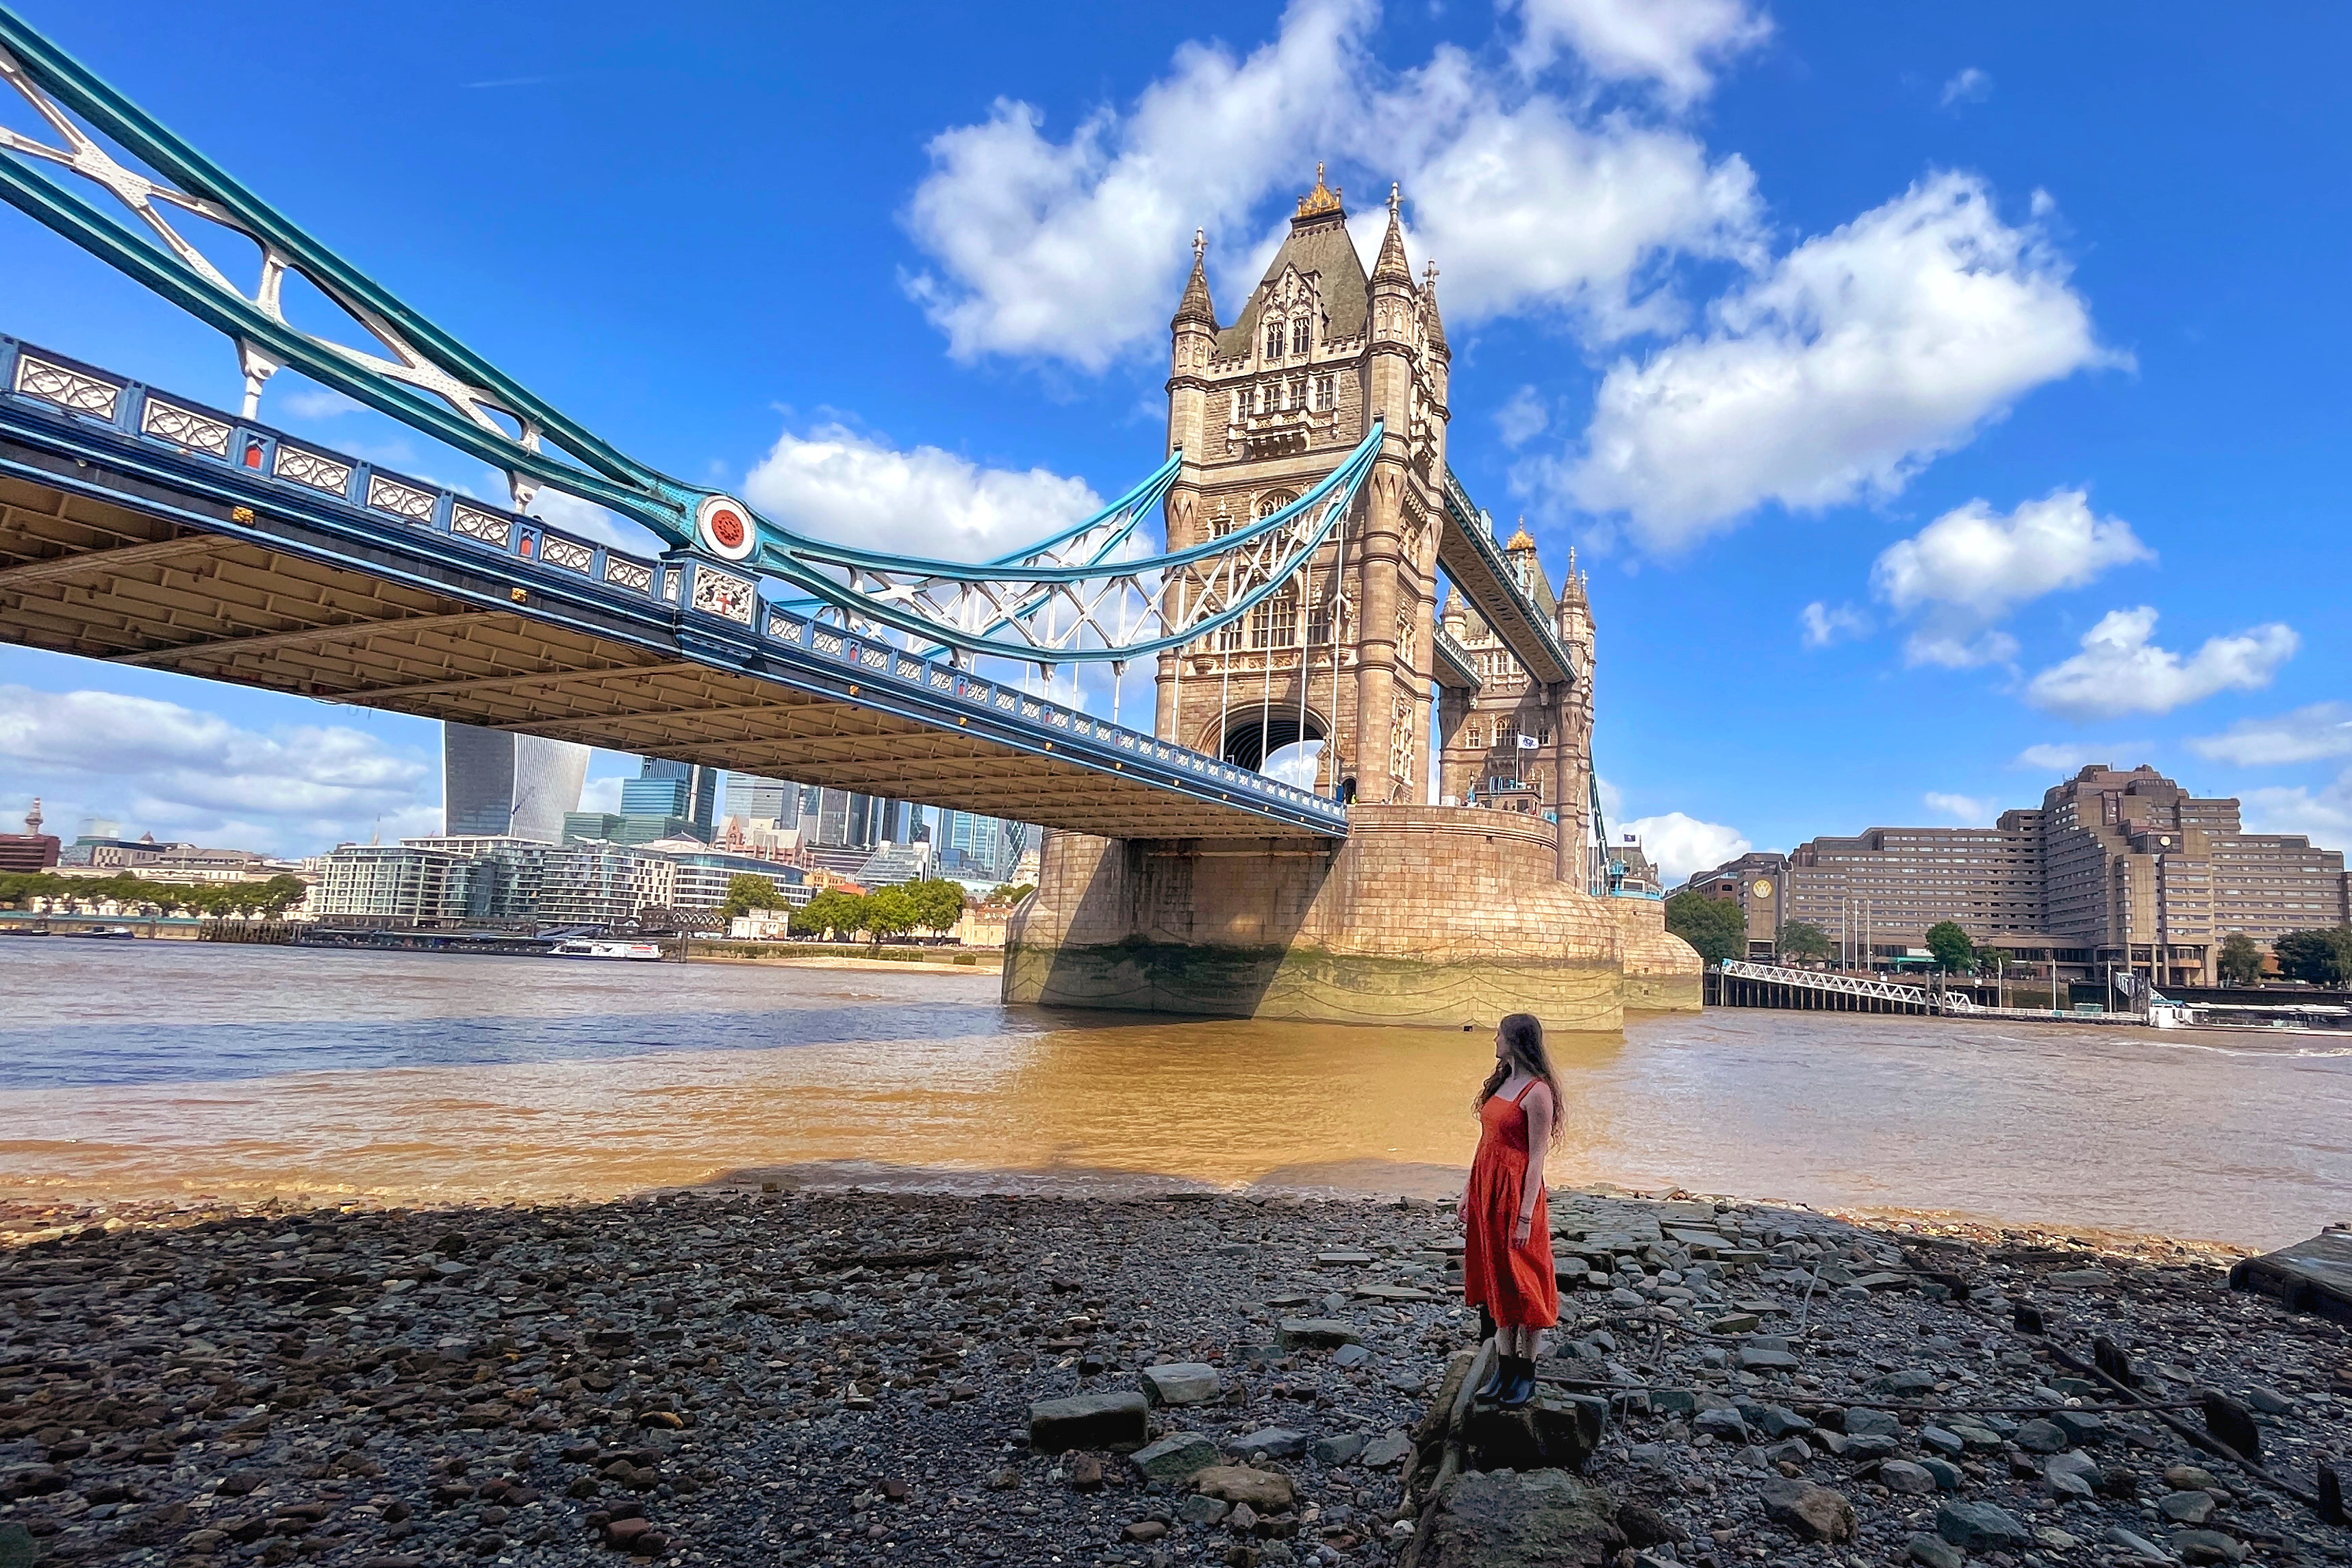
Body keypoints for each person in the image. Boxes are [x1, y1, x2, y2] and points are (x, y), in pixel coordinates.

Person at [1459, 1011, 1560, 1406]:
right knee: (1497, 1275)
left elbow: (1537, 1159)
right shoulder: (1502, 1082)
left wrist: (1524, 1215)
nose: (1494, 1042)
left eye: (1499, 1036)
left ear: (1516, 1041)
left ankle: (1526, 1373)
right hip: (1488, 1189)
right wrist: (1468, 1191)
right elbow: (1485, 1144)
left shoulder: (1537, 1092)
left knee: (1526, 1277)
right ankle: (1503, 1369)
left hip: (1518, 1192)